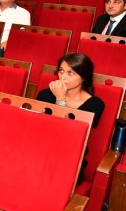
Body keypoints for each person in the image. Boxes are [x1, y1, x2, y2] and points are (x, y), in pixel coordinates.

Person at [36, 53, 104, 183]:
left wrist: (60, 100)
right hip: (42, 152)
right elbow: (39, 130)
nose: (63, 78)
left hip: (71, 160)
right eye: (61, 71)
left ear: (84, 77)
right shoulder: (45, 95)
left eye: (70, 73)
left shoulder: (95, 104)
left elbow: (70, 136)